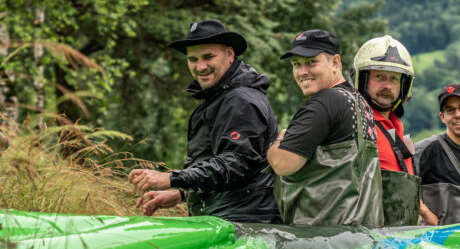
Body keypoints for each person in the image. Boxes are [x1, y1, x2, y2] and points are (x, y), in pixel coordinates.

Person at [128, 19, 280, 224]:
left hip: (246, 226)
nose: (200, 66)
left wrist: (170, 179)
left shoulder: (240, 101)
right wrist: (179, 194)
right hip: (229, 219)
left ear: (229, 54)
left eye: (208, 57)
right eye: (193, 59)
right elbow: (225, 172)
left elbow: (235, 165)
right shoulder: (221, 98)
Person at [267, 29, 383, 226]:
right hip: (363, 235)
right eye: (296, 64)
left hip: (323, 238)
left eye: (311, 62)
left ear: (335, 62)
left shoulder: (324, 103)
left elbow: (282, 164)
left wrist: (279, 140)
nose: (302, 71)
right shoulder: (359, 102)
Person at [352, 36, 422, 226]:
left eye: (394, 79)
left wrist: (423, 211)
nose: (387, 86)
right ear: (362, 78)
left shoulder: (393, 126)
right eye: (379, 77)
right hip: (369, 237)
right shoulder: (355, 122)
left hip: (399, 234)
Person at [414, 83, 460, 225]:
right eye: (450, 110)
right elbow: (400, 183)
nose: (457, 115)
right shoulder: (426, 150)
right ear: (442, 117)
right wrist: (424, 212)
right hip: (437, 243)